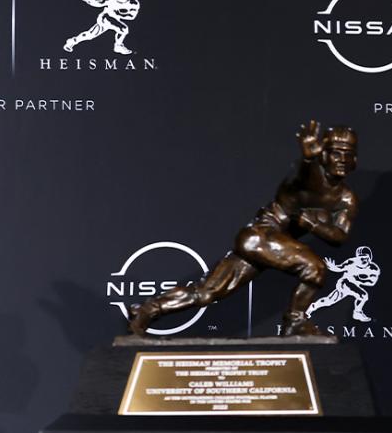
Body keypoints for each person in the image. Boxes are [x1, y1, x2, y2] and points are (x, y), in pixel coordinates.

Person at [127, 121, 358, 337]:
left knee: (208, 292)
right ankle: (295, 321)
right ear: (324, 155)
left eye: (347, 156)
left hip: (266, 245)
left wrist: (313, 225)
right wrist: (308, 160)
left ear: (354, 160)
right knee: (314, 268)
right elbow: (302, 177)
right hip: (261, 236)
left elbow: (339, 236)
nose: (341, 160)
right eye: (336, 153)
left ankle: (147, 310)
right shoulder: (309, 177)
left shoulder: (346, 199)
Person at [64, 0, 140, 54]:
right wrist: (93, 2)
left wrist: (119, 14)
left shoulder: (134, 3)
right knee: (123, 29)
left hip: (115, 20)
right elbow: (100, 3)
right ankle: (118, 46)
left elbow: (132, 16)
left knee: (90, 35)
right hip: (105, 18)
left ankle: (72, 41)